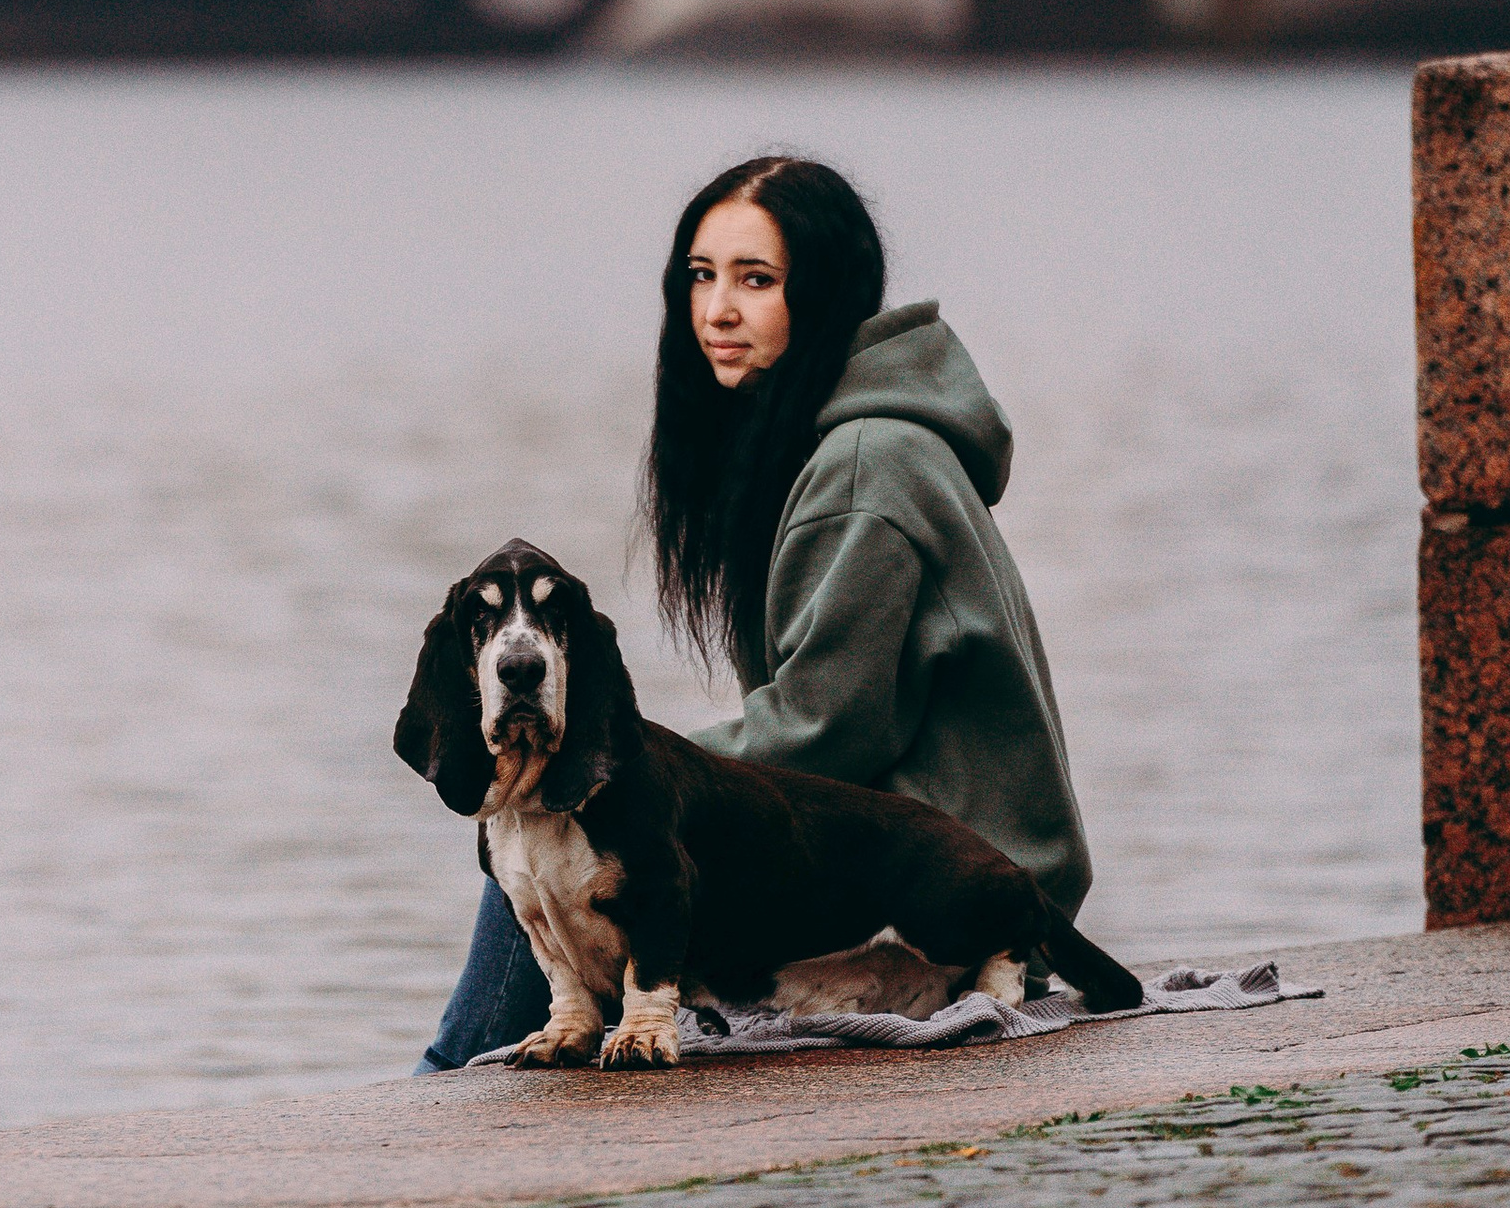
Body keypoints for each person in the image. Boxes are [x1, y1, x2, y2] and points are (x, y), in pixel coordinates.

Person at [418, 150, 1094, 1069]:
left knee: (559, 815)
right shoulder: (824, 441)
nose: (717, 311)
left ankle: (444, 1082)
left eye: (756, 280)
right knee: (547, 822)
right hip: (869, 854)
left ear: (826, 294)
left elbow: (824, 729)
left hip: (942, 891)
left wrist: (602, 763)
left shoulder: (864, 468)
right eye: (701, 277)